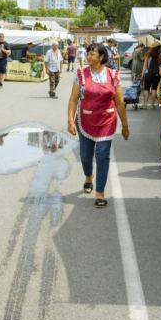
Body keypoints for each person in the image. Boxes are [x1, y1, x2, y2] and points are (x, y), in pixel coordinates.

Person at [67, 43, 130, 208]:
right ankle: (89, 176)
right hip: (86, 120)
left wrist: (125, 125)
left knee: (102, 155)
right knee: (86, 155)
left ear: (101, 56)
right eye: (87, 54)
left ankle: (100, 192)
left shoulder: (113, 75)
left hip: (107, 121)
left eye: (92, 54)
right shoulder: (80, 74)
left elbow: (120, 103)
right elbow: (73, 99)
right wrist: (69, 120)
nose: (88, 57)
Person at [141, 43, 161, 109]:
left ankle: (145, 104)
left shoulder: (147, 55)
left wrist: (143, 73)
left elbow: (145, 65)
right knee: (154, 89)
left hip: (148, 74)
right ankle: (152, 104)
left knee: (146, 89)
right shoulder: (160, 56)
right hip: (156, 74)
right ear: (158, 48)